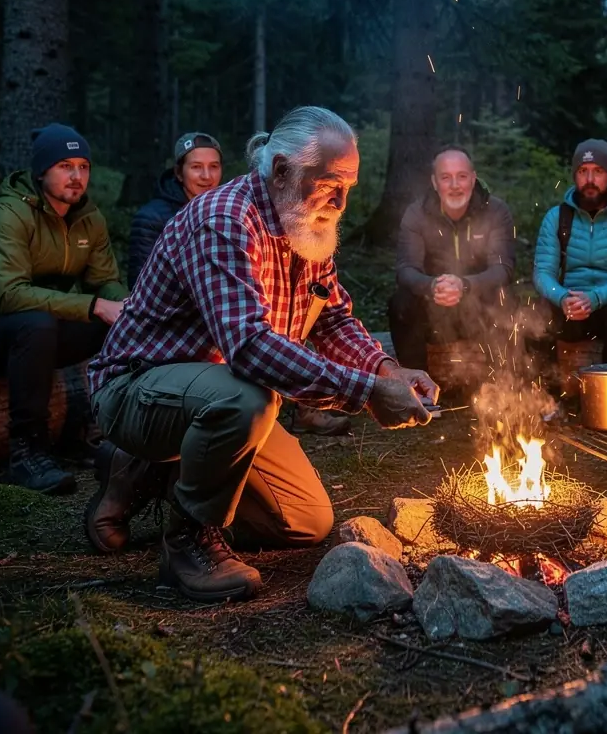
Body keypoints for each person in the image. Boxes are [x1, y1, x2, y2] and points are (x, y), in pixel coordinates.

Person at [85, 106, 438, 603]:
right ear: (281, 170)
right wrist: (367, 393)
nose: (341, 201)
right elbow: (250, 349)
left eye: (349, 186)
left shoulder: (306, 223)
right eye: (330, 184)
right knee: (249, 397)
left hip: (220, 397)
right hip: (139, 389)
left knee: (306, 522)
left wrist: (387, 369)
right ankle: (187, 542)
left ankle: (158, 471)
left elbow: (333, 319)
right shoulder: (224, 221)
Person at [0, 124, 126, 494]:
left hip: (40, 330)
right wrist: (95, 305)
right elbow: (11, 296)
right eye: (65, 166)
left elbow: (104, 280)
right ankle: (26, 454)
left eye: (83, 167)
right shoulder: (6, 215)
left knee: (117, 324)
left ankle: (93, 432)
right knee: (37, 325)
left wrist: (128, 305)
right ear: (40, 172)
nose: (76, 176)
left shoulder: (88, 218)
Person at [388, 146, 515, 370]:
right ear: (435, 182)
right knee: (401, 303)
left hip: (480, 306)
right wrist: (432, 285)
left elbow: (503, 269)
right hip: (434, 307)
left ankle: (503, 382)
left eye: (462, 176)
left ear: (473, 179)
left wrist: (465, 285)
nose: (455, 185)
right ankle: (415, 382)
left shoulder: (495, 210)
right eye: (446, 177)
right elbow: (406, 269)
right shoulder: (417, 213)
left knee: (506, 299)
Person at [533, 139, 607, 361]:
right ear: (574, 176)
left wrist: (597, 297)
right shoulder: (557, 217)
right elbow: (542, 273)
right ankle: (539, 381)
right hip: (570, 305)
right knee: (535, 315)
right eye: (583, 171)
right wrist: (562, 298)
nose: (589, 179)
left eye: (598, 171)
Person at [127, 131, 223, 288]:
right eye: (196, 167)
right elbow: (140, 286)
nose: (207, 176)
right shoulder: (152, 218)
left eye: (213, 166)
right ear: (179, 173)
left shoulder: (225, 214)